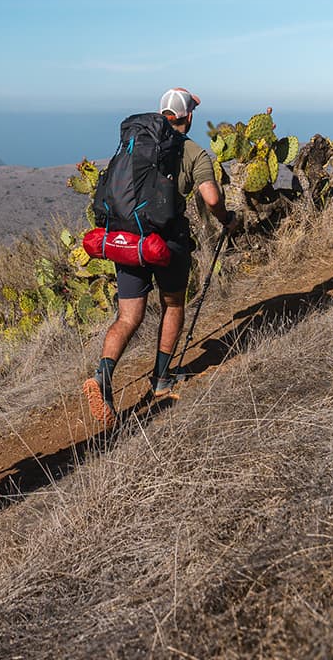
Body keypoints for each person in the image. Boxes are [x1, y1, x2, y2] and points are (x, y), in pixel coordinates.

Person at [82, 88, 233, 426]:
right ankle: (161, 380)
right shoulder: (194, 152)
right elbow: (210, 198)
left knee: (127, 317)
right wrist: (226, 218)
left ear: (162, 113)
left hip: (128, 240)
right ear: (189, 116)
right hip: (167, 243)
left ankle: (102, 378)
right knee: (173, 304)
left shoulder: (137, 145)